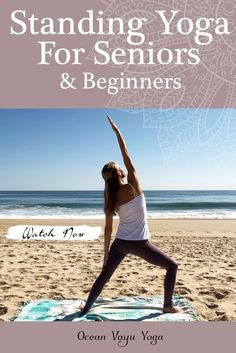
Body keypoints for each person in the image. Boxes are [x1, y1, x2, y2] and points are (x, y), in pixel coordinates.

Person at [79, 116, 180, 315]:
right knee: (172, 267)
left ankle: (86, 307)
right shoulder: (133, 184)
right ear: (120, 173)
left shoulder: (110, 197)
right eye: (119, 166)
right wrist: (118, 133)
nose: (123, 166)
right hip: (140, 243)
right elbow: (126, 154)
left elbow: (108, 228)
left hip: (120, 243)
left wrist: (107, 253)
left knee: (104, 275)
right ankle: (167, 306)